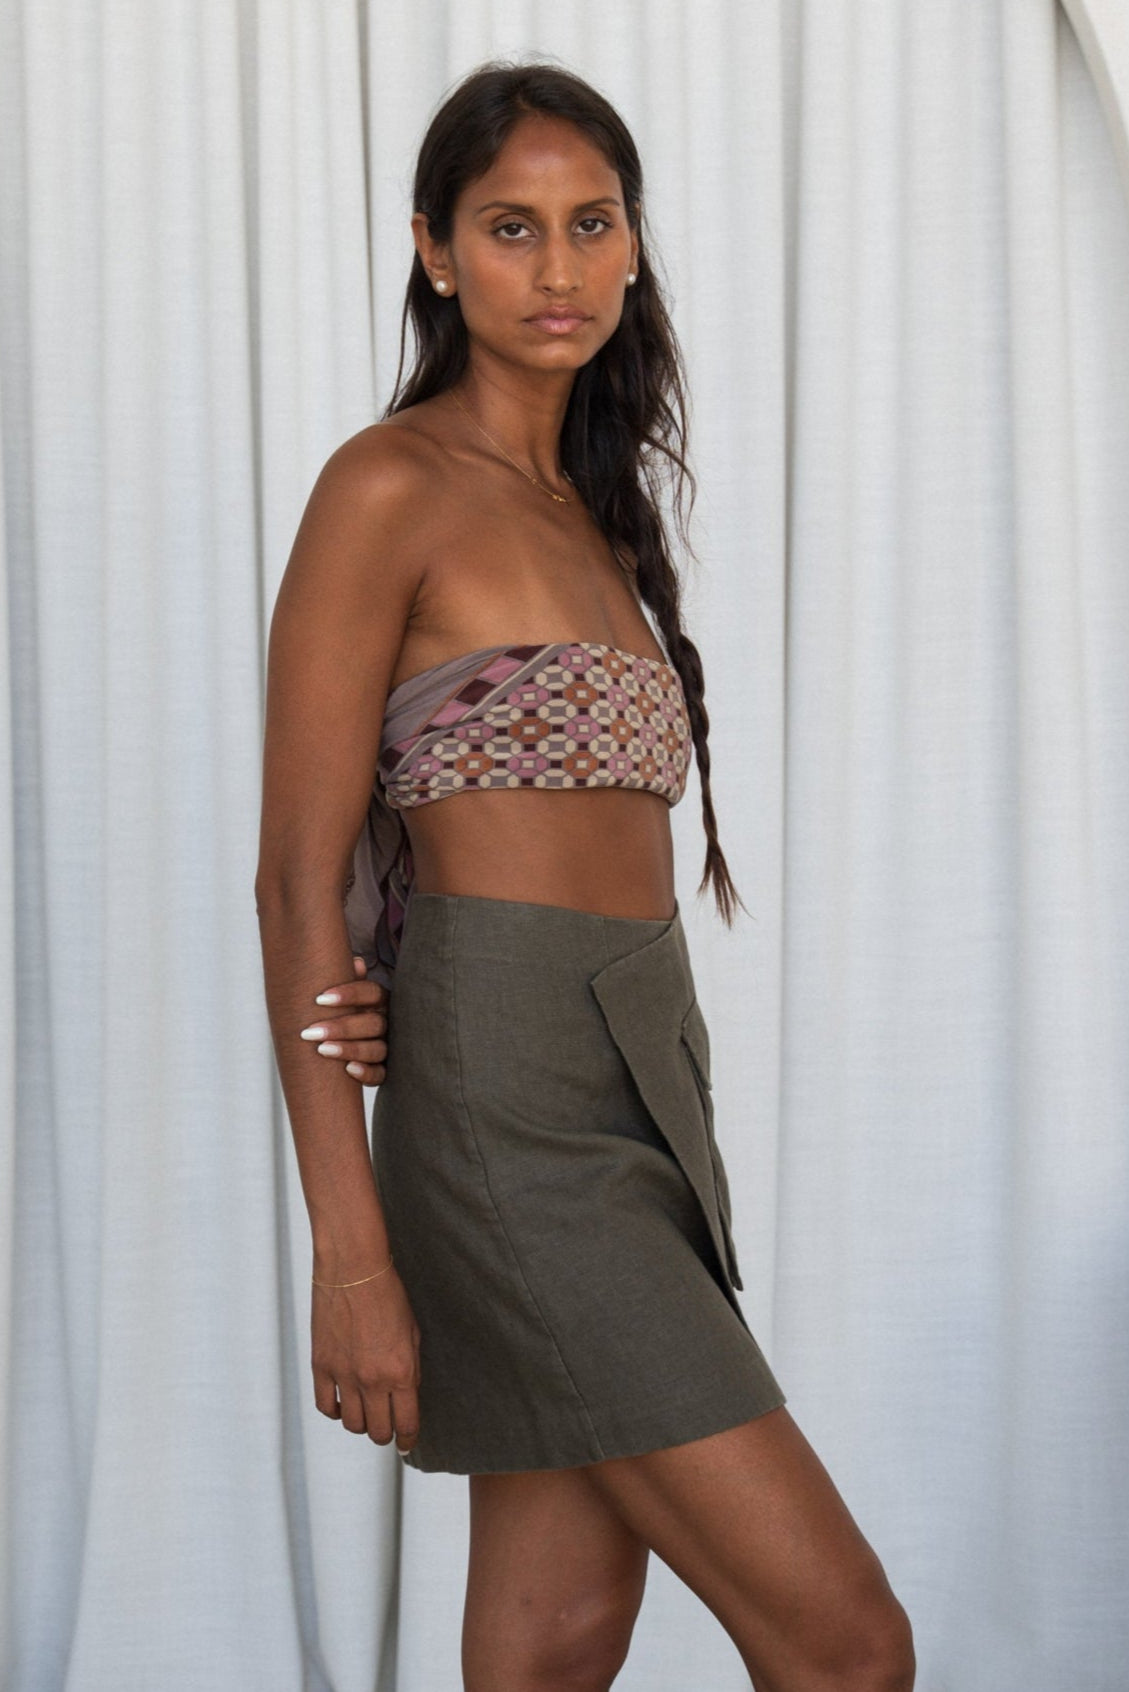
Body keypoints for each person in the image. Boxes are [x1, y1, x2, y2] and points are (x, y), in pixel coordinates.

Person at [256, 56, 915, 1692]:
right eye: (507, 228)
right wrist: (351, 1251)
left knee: (557, 1636)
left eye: (589, 224)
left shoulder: (594, 516)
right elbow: (295, 875)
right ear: (432, 251)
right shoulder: (385, 484)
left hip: (645, 1067)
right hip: (502, 1091)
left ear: (631, 246)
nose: (555, 270)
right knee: (845, 1642)